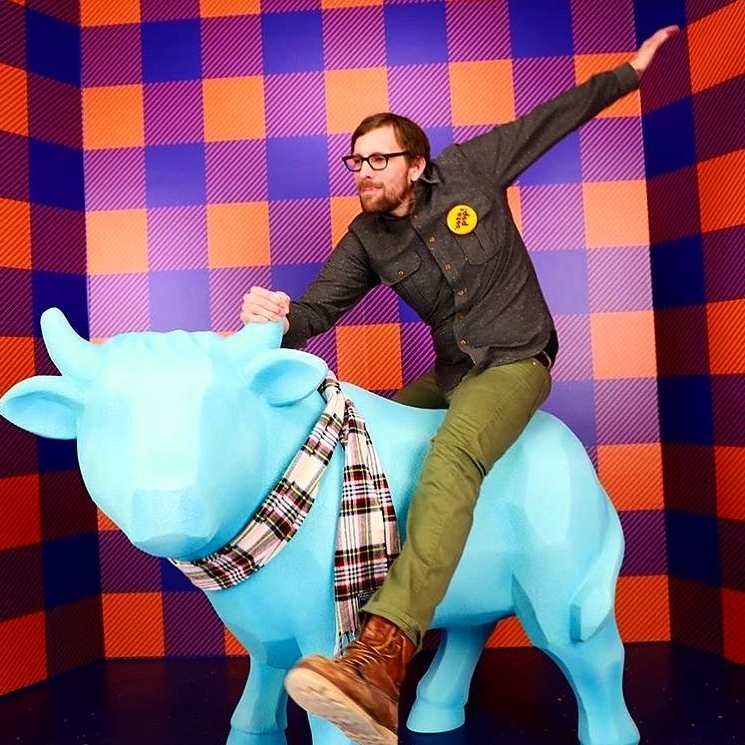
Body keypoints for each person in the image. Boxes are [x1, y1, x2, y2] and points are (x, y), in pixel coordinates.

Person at [239, 25, 679, 745]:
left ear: (415, 164)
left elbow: (552, 118)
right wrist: (278, 317)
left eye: (378, 159)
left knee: (450, 459)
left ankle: (384, 653)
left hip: (513, 362)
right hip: (452, 375)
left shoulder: (474, 169)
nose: (362, 173)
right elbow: (316, 312)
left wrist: (629, 72)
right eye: (355, 161)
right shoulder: (366, 237)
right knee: (360, 435)